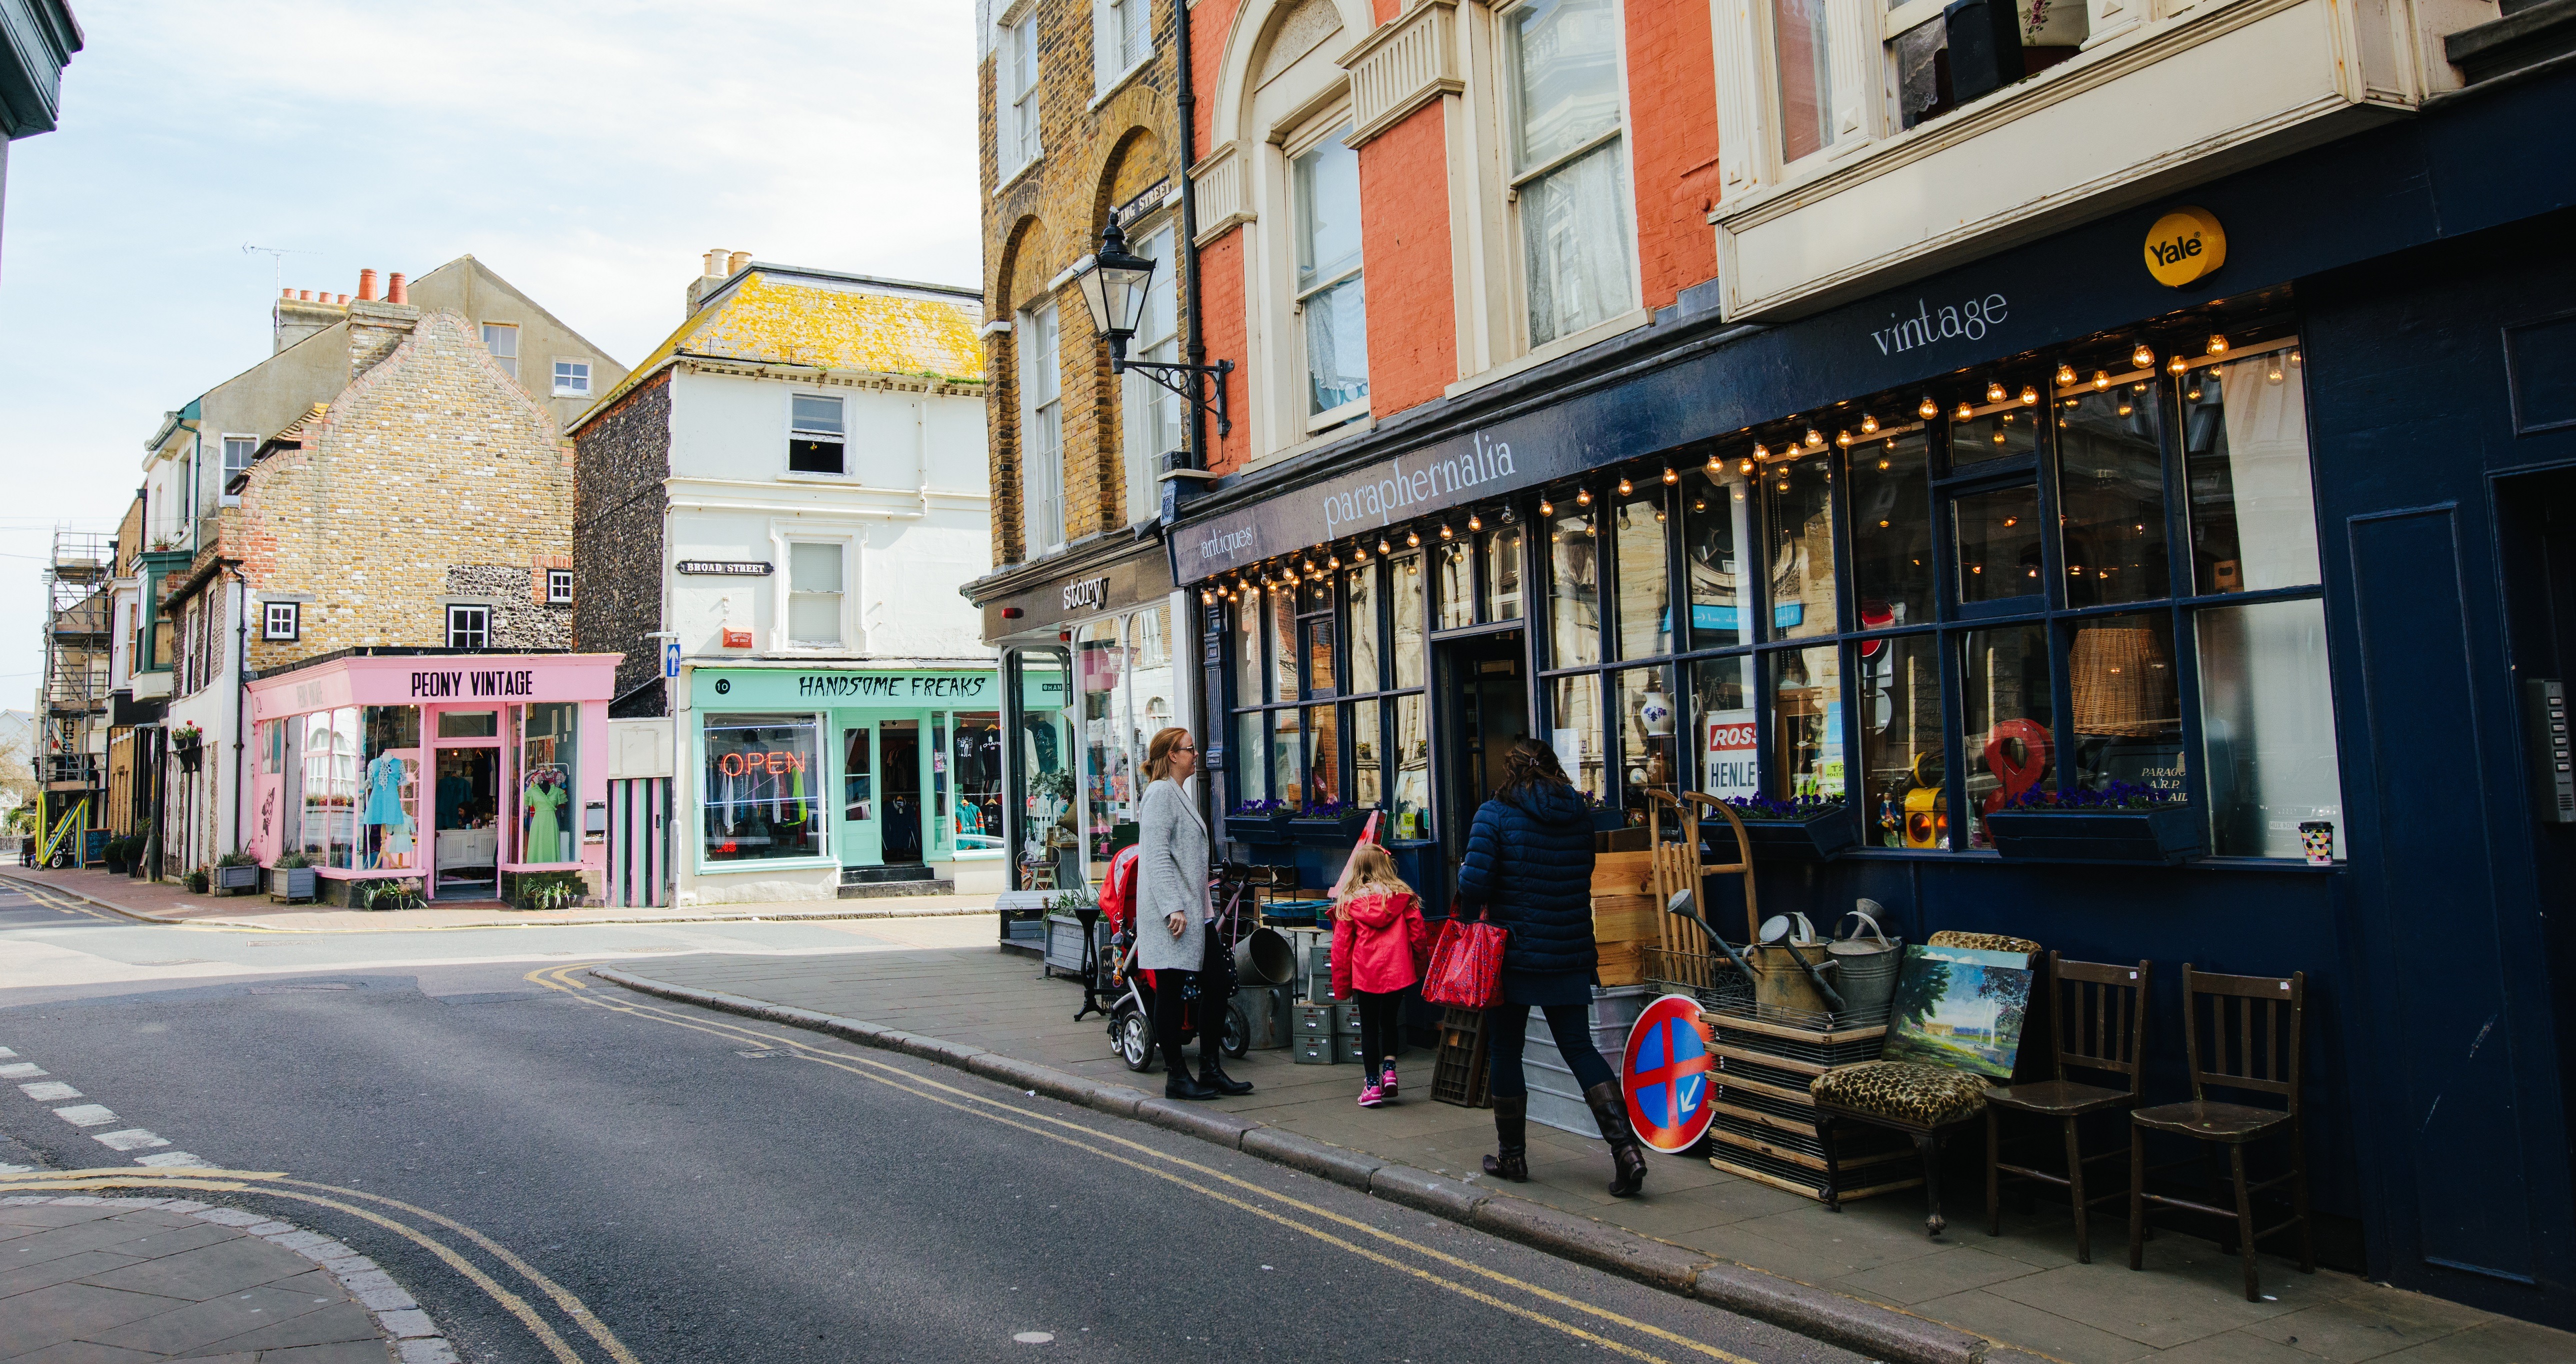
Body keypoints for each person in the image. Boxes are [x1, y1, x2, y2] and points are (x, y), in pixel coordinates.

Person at [1457, 739, 1649, 1197]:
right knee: (1581, 1048)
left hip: (1514, 952)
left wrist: (1469, 892)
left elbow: (1475, 883)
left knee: (1506, 1049)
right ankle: (1628, 1152)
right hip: (1569, 949)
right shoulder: (1578, 813)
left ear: (1510, 770)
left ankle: (1513, 1156)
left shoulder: (1494, 814)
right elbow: (1584, 870)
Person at [1134, 726, 1253, 1101]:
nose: (1196, 754)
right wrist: (1172, 906)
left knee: (1217, 984)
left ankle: (1211, 1068)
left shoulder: (1177, 793)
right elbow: (1154, 855)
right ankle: (1176, 1076)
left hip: (1195, 912)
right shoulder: (1159, 794)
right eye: (1190, 748)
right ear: (1172, 755)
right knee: (1169, 991)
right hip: (1173, 914)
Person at [1330, 843, 1430, 1108]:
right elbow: (1419, 938)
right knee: (1390, 1022)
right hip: (1399, 972)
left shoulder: (1350, 903)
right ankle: (1390, 1071)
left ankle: (1372, 1086)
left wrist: (1342, 986)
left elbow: (1340, 950)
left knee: (1369, 1028)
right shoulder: (1403, 898)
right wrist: (1420, 967)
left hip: (1366, 974)